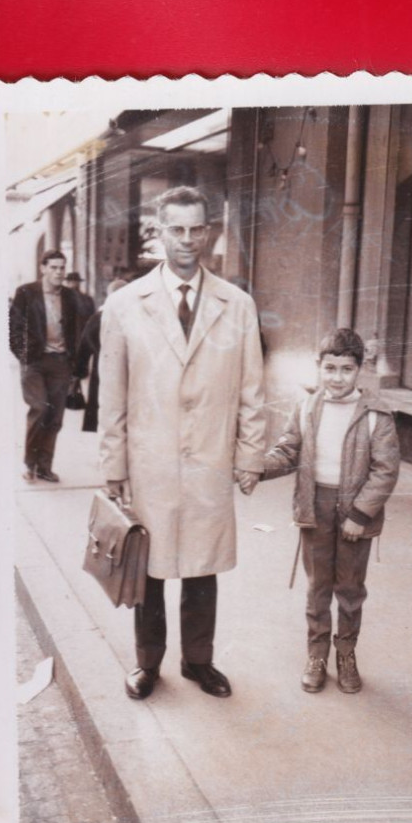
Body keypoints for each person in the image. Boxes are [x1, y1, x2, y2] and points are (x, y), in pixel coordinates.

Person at [99, 186, 265, 701]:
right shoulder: (125, 305)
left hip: (210, 458)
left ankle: (199, 661)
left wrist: (250, 456)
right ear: (159, 230)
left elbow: (251, 389)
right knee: (149, 568)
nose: (188, 240)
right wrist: (114, 465)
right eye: (177, 229)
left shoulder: (236, 305)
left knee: (201, 567)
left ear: (210, 230)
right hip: (150, 461)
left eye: (197, 228)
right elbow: (113, 394)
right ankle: (147, 664)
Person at [262, 328, 400, 694]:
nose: (337, 378)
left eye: (346, 369)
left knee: (350, 589)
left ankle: (346, 654)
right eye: (330, 368)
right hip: (315, 507)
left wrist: (360, 515)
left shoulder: (376, 415)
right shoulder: (307, 407)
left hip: (355, 513)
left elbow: (385, 471)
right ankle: (317, 655)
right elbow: (288, 450)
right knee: (318, 587)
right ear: (318, 367)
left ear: (359, 371)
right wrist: (257, 468)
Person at [9, 249, 79, 482]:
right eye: (54, 267)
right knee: (40, 409)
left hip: (61, 363)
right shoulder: (26, 293)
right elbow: (14, 328)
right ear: (43, 268)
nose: (59, 272)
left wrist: (73, 361)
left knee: (55, 417)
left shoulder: (70, 296)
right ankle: (29, 464)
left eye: (62, 267)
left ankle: (44, 466)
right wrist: (24, 357)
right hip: (35, 362)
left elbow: (75, 329)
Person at [75, 278, 128, 433]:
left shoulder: (99, 316)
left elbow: (84, 346)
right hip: (126, 371)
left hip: (103, 372)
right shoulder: (134, 317)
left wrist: (79, 370)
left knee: (105, 414)